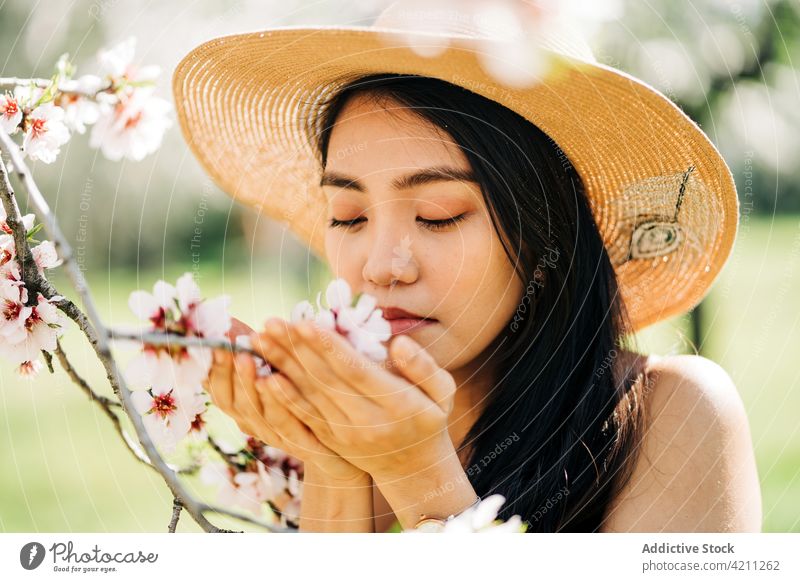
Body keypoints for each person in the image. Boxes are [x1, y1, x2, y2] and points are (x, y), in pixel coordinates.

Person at [179, 2, 762, 532]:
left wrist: (417, 473)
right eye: (350, 216)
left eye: (438, 215)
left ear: (545, 239)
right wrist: (335, 462)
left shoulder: (670, 419)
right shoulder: (305, 437)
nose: (382, 267)